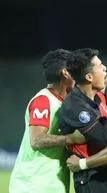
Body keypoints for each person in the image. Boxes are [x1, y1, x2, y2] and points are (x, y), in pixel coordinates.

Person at [58, 48, 107, 193]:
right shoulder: (75, 107)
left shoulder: (98, 97)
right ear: (89, 77)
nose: (104, 68)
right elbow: (106, 140)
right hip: (91, 177)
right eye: (100, 66)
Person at [9, 49, 83, 193]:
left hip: (52, 185)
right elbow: (36, 140)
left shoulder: (63, 102)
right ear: (65, 72)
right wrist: (72, 138)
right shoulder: (43, 101)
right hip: (33, 185)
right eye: (74, 69)